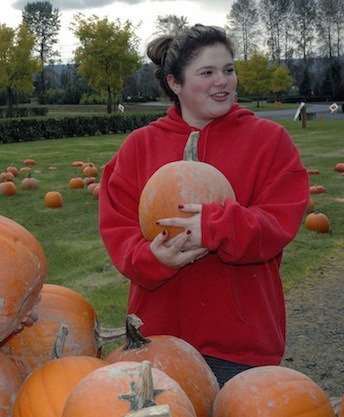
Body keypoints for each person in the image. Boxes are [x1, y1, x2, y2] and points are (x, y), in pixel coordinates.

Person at [98, 25, 309, 386]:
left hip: (240, 346)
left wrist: (216, 226)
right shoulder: (139, 147)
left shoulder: (269, 141)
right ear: (175, 83)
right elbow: (119, 230)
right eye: (207, 73)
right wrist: (151, 259)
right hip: (160, 343)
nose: (222, 82)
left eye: (228, 70)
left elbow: (279, 222)